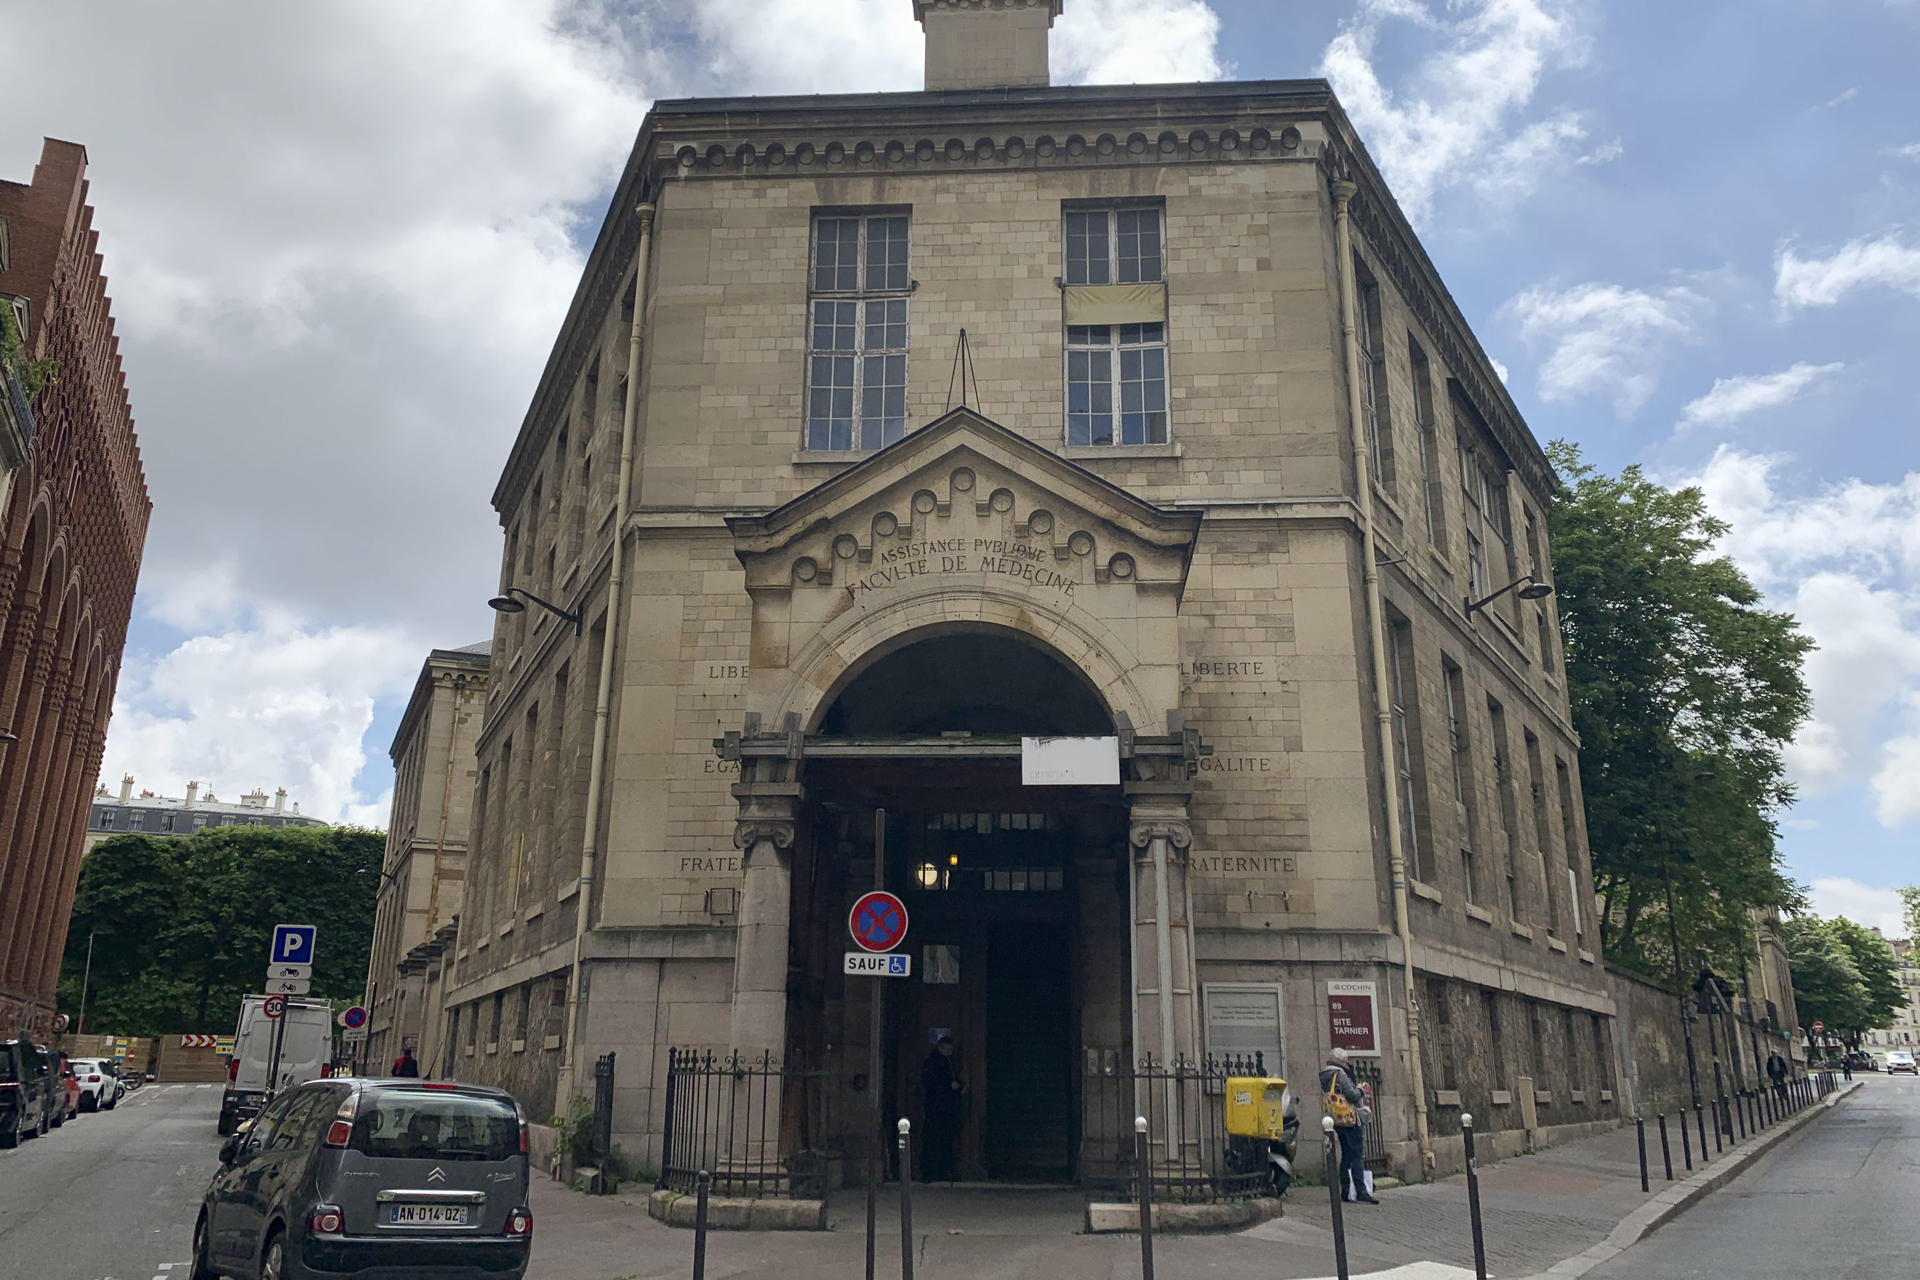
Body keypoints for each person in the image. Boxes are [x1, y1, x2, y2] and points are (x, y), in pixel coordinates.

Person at [1319, 1047, 1376, 1204]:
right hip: (1349, 1119)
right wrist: (1360, 1090)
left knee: (1346, 1154)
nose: (1347, 1064)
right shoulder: (1339, 1073)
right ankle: (1361, 1190)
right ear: (1339, 1061)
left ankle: (1346, 1190)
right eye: (1345, 1061)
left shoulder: (1325, 1073)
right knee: (1357, 1154)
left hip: (1337, 1119)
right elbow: (1351, 1095)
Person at [920, 1035, 963, 1181]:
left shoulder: (950, 1062)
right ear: (940, 1047)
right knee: (933, 1139)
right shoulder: (933, 1062)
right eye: (947, 1049)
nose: (949, 1052)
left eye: (951, 1050)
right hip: (936, 1106)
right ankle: (930, 1172)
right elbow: (931, 1083)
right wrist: (948, 1086)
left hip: (947, 1108)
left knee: (946, 1140)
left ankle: (944, 1170)